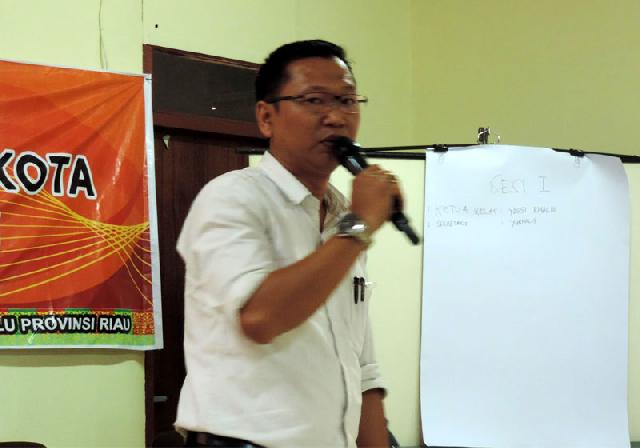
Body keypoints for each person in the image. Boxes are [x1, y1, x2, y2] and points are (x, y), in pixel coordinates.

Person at [175, 39, 404, 448]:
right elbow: (261, 318)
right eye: (314, 101)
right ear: (267, 117)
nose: (336, 117)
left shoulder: (341, 214)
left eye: (347, 100)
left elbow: (362, 367)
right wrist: (359, 227)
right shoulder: (232, 197)